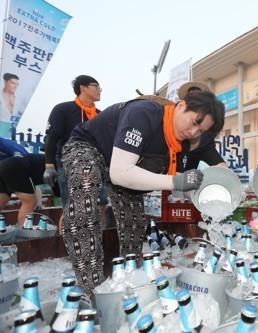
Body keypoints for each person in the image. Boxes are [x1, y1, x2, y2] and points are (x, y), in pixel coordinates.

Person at [61, 90, 224, 294]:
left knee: (134, 223)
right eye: (194, 122)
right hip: (89, 148)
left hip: (123, 168)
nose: (193, 132)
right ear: (181, 106)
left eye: (200, 130)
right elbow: (121, 172)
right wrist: (176, 181)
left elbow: (180, 186)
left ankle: (132, 278)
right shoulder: (143, 114)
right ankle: (90, 289)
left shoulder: (181, 145)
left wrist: (208, 200)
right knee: (86, 181)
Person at [43, 75, 106, 211]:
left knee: (100, 204)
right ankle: (68, 233)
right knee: (72, 207)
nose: (99, 90)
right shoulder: (63, 109)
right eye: (96, 86)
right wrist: (49, 166)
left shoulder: (101, 115)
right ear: (83, 87)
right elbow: (52, 138)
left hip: (97, 166)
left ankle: (97, 232)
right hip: (68, 165)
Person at [0, 154, 45, 226]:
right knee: (30, 201)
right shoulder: (59, 165)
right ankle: (25, 234)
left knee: (2, 201)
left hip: (5, 165)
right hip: (15, 167)